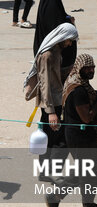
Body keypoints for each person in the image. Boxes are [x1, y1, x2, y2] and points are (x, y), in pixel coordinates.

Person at [44, 54, 97, 207]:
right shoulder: (79, 90)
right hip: (82, 138)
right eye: (87, 68)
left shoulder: (78, 83)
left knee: (86, 171)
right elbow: (87, 117)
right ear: (79, 68)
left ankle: (59, 197)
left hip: (77, 136)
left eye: (93, 67)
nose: (91, 70)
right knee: (89, 174)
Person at [23, 23, 79, 179]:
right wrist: (51, 112)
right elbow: (45, 84)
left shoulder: (57, 51)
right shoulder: (47, 55)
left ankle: (47, 171)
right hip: (51, 105)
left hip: (57, 101)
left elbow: (54, 76)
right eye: (69, 40)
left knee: (54, 138)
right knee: (53, 139)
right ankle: (46, 172)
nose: (69, 44)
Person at [33, 0, 77, 70]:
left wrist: (68, 18)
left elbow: (61, 16)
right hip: (51, 50)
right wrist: (69, 22)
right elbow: (55, 25)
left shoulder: (50, 2)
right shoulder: (52, 8)